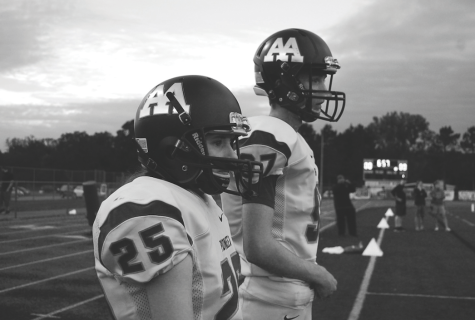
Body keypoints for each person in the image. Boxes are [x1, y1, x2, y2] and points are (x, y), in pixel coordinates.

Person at [92, 75, 263, 320]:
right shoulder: (146, 210)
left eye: (232, 141)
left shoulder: (197, 199)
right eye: (217, 141)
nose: (232, 155)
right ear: (173, 148)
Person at [222, 28, 345, 320]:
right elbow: (258, 245)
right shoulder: (270, 134)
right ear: (285, 80)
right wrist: (317, 273)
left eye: (324, 78)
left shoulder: (285, 136)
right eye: (315, 78)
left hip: (277, 295)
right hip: (266, 298)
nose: (324, 89)